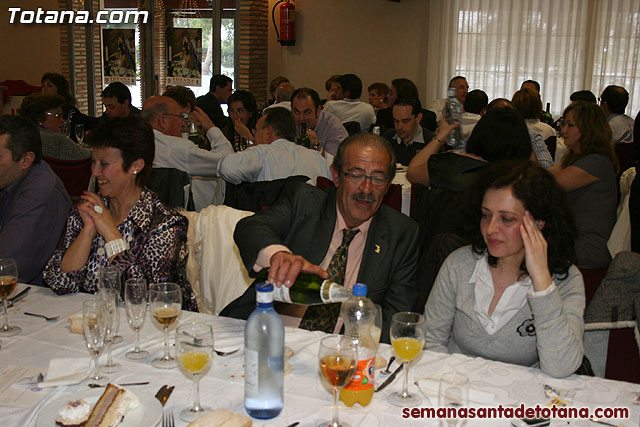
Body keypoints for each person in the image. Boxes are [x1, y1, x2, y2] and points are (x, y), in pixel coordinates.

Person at [221, 133, 419, 343]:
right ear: (336, 176)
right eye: (356, 175)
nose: (366, 189)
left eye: (378, 178)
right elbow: (251, 227)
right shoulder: (304, 201)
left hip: (339, 354)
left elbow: (394, 321)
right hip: (263, 337)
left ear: (388, 185)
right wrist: (278, 254)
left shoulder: (402, 233)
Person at [425, 161, 584, 378]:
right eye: (486, 215)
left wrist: (542, 282)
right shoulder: (459, 264)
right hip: (456, 391)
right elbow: (430, 340)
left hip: (520, 402)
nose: (490, 229)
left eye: (506, 219)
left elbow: (561, 367)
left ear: (538, 223)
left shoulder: (566, 279)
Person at [43, 117, 197, 310]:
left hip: (155, 332)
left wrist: (110, 233)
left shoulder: (163, 225)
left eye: (104, 164)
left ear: (136, 166)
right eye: (93, 162)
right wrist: (89, 229)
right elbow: (59, 282)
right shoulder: (88, 210)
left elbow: (145, 298)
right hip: (99, 324)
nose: (94, 171)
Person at [407, 107, 533, 310]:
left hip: (441, 261)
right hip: (496, 266)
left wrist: (440, 136)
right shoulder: (520, 180)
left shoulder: (453, 166)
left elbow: (413, 172)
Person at [0, 115, 70, 285]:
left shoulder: (40, 193)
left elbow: (7, 265)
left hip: (34, 299)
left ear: (26, 160)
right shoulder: (9, 177)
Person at [549, 102, 618, 269]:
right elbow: (543, 175)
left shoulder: (596, 162)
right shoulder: (575, 158)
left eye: (570, 125)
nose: (563, 130)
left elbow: (546, 185)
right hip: (571, 238)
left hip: (588, 247)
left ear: (589, 129)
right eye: (564, 124)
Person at [217, 107, 333, 185]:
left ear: (268, 133)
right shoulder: (317, 158)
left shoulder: (262, 153)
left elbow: (226, 168)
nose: (255, 136)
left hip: (269, 219)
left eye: (257, 131)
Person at [142, 95, 233, 178]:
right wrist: (210, 127)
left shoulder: (135, 140)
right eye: (180, 117)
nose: (184, 123)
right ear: (163, 121)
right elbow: (228, 164)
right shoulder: (176, 148)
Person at [19, 93, 91, 160]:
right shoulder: (57, 140)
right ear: (39, 118)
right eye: (57, 115)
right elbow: (91, 157)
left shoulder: (21, 136)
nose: (62, 120)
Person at [291, 87, 348, 156]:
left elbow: (334, 164)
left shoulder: (334, 127)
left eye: (307, 112)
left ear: (318, 110)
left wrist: (316, 146)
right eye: (297, 112)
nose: (301, 118)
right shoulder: (288, 124)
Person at [40, 72, 97, 140]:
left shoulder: (71, 113)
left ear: (60, 89)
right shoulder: (40, 109)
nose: (44, 89)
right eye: (43, 86)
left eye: (49, 86)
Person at [383, 96, 435, 166]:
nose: (399, 127)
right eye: (396, 121)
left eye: (405, 121)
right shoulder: (388, 138)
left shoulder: (432, 142)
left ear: (418, 118)